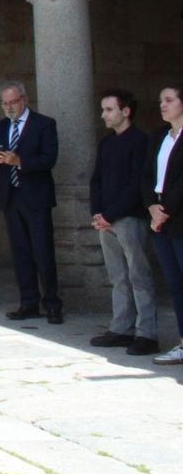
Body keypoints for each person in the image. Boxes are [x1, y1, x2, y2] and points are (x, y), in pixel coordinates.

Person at [0, 80, 62, 324]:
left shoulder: (44, 124)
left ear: (24, 100)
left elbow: (49, 159)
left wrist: (19, 161)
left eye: (13, 102)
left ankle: (52, 304)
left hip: (36, 197)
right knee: (21, 253)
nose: (9, 107)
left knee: (43, 252)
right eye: (5, 103)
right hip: (11, 197)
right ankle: (28, 303)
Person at [88, 89, 157, 355]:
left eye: (109, 110)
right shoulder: (106, 143)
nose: (103, 115)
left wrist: (111, 214)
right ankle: (121, 328)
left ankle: (147, 333)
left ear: (126, 111)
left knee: (139, 275)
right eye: (103, 109)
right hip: (106, 220)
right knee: (117, 276)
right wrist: (98, 213)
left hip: (130, 218)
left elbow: (137, 184)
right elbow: (97, 180)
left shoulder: (140, 141)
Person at [146, 82, 183, 366]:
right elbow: (146, 174)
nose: (163, 105)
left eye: (169, 100)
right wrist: (151, 205)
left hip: (177, 215)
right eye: (161, 100)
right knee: (174, 282)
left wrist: (165, 210)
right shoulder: (160, 136)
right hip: (158, 215)